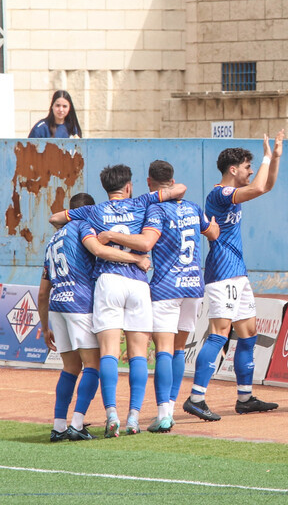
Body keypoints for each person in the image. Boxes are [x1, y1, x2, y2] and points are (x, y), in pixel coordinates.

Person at [49, 166, 187, 437]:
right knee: (138, 354)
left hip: (108, 282)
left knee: (109, 352)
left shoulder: (92, 211)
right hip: (137, 282)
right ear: (129, 186)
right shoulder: (141, 202)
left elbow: (56, 218)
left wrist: (85, 227)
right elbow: (180, 189)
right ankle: (133, 418)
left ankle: (110, 414)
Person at [98, 161, 220, 432]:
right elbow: (212, 232)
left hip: (167, 287)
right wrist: (212, 226)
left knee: (163, 350)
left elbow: (147, 243)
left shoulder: (154, 208)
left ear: (150, 182)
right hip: (193, 286)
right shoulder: (192, 207)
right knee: (178, 349)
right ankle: (171, 408)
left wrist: (111, 235)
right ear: (173, 180)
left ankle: (164, 413)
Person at [184, 132, 284, 422]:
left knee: (249, 333)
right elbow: (257, 187)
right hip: (222, 273)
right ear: (233, 170)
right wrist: (266, 156)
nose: (251, 171)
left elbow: (264, 186)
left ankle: (245, 397)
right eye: (247, 166)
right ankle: (196, 398)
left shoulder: (232, 194)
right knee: (218, 333)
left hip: (237, 273)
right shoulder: (219, 193)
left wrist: (275, 158)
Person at [40, 192, 151, 442]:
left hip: (58, 304)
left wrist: (44, 324)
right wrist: (136, 259)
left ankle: (58, 426)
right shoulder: (84, 226)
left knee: (70, 366)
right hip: (79, 302)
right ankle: (77, 424)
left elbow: (42, 291)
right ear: (88, 211)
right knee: (93, 364)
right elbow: (99, 250)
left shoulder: (53, 240)